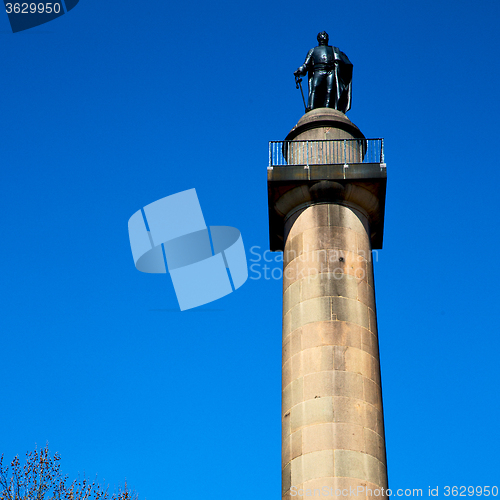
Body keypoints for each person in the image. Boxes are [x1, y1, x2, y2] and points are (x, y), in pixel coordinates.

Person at [294, 31, 353, 113]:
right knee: (315, 88)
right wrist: (300, 70)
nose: (323, 37)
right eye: (322, 36)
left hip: (330, 71)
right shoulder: (313, 50)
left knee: (330, 90)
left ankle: (328, 109)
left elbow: (345, 63)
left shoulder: (334, 50)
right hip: (318, 70)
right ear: (318, 38)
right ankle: (311, 107)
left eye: (325, 35)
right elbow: (306, 65)